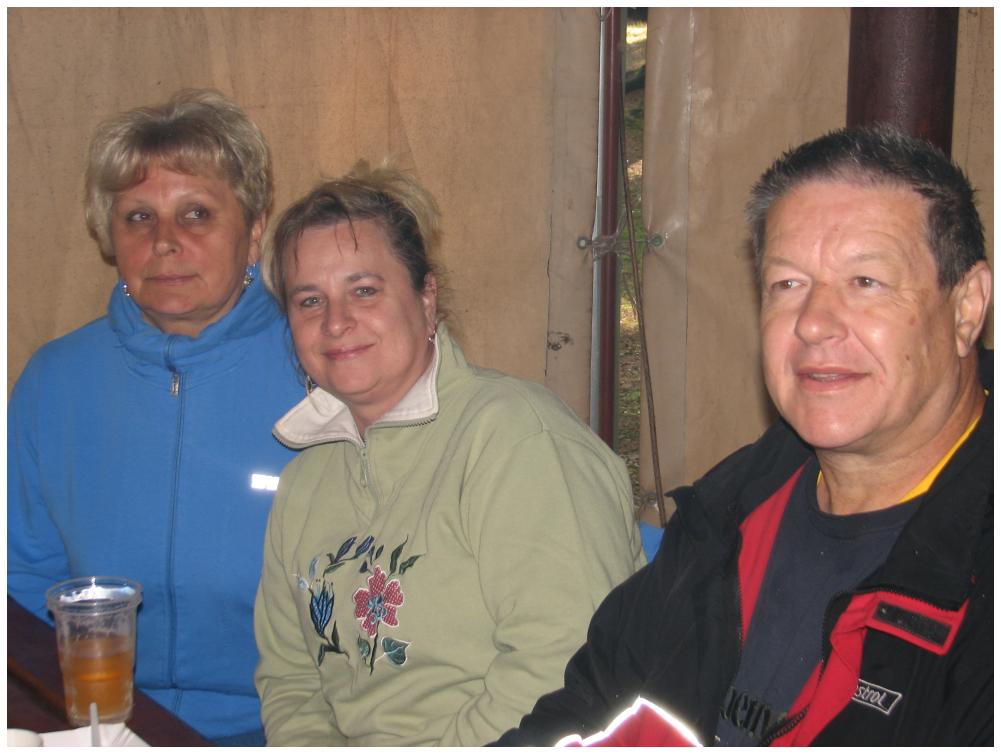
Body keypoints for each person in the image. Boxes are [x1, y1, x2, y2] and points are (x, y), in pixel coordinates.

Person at [495, 125, 993, 746]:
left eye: (866, 282)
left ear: (967, 307)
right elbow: (587, 710)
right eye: (787, 284)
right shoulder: (732, 511)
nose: (813, 323)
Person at [253, 165, 646, 746]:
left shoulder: (516, 440)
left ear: (426, 296)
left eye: (364, 290)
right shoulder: (304, 483)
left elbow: (566, 667)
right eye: (310, 301)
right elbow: (290, 682)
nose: (335, 322)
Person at [7, 89, 304, 745]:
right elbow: (20, 580)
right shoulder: (55, 382)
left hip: (286, 728)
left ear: (255, 229)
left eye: (197, 213)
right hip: (94, 724)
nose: (165, 241)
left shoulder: (323, 369)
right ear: (108, 235)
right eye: (138, 217)